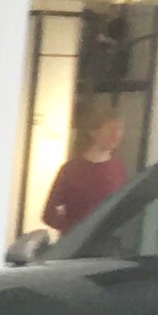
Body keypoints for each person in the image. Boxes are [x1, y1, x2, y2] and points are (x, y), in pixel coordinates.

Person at [42, 100, 130, 241]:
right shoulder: (71, 169)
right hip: (75, 246)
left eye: (120, 129)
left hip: (107, 245)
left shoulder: (119, 169)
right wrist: (76, 230)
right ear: (93, 132)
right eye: (110, 128)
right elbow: (49, 214)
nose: (116, 135)